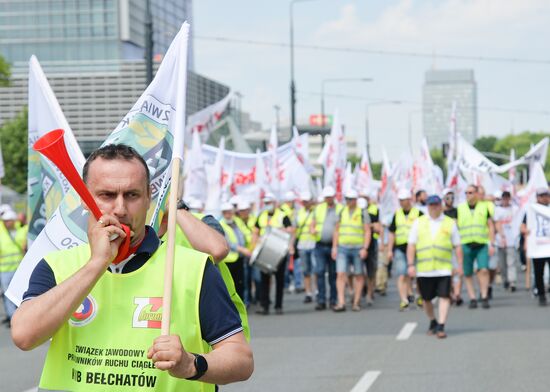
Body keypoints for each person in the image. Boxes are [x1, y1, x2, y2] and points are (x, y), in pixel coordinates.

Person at [11, 144, 253, 391]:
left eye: (132, 195)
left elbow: (241, 359)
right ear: (84, 198)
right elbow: (24, 336)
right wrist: (97, 263)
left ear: (149, 196)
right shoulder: (57, 265)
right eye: (106, 195)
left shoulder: (194, 268)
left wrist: (192, 364)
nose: (120, 209)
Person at [407, 195, 463, 339]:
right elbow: (411, 245)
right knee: (426, 299)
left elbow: (457, 246)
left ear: (440, 206)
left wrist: (460, 265)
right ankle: (433, 320)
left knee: (444, 296)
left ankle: (441, 325)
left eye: (436, 205)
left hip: (443, 267)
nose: (433, 208)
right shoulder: (419, 222)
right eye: (431, 205)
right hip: (425, 269)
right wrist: (411, 264)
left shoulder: (449, 223)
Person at [332, 190, 371, 312]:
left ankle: (356, 302)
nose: (349, 201)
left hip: (357, 248)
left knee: (358, 274)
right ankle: (341, 302)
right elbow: (337, 230)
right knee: (341, 273)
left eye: (351, 199)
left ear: (355, 200)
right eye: (347, 199)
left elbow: (367, 231)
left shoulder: (362, 213)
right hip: (343, 247)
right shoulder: (342, 212)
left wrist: (365, 248)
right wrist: (334, 247)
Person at [457, 184, 495, 309]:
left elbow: (490, 225)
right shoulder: (460, 208)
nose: (468, 195)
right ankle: (472, 297)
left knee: (483, 270)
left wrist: (491, 243)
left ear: (477, 194)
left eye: (471, 192)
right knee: (467, 273)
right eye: (466, 193)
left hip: (481, 243)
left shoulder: (484, 207)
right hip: (466, 244)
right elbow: (455, 227)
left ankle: (484, 295)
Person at [255, 193, 294, 315]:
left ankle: (278, 306)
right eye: (265, 203)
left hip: (279, 251)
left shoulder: (282, 215)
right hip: (265, 251)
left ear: (275, 203)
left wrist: (277, 230)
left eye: (269, 203)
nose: (267, 205)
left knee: (279, 279)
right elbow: (255, 231)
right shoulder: (261, 216)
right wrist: (255, 246)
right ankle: (264, 306)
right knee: (264, 280)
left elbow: (290, 230)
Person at [387, 189, 422, 311]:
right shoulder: (397, 214)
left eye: (404, 200)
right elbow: (392, 233)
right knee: (402, 274)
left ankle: (419, 295)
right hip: (401, 248)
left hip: (416, 248)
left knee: (418, 274)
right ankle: (404, 300)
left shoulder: (419, 213)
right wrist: (390, 250)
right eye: (400, 200)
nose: (402, 203)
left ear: (409, 200)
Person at [311, 186, 343, 310]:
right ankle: (321, 299)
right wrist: (312, 229)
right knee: (319, 272)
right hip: (320, 245)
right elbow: (312, 223)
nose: (328, 199)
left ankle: (333, 299)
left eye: (330, 197)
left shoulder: (340, 209)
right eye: (326, 197)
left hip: (334, 246)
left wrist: (336, 246)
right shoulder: (319, 209)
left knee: (333, 274)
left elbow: (338, 227)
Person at [521, 187, 550, 306]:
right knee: (539, 273)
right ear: (537, 197)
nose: (544, 198)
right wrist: (526, 233)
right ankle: (541, 295)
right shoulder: (531, 210)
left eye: (546, 195)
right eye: (542, 196)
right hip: (538, 247)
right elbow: (522, 227)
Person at [0, 208, 27, 326]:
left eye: (9, 220)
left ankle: (21, 316)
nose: (7, 223)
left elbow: (27, 226)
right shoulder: (1, 232)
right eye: (5, 220)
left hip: (19, 269)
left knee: (20, 293)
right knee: (7, 295)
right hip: (4, 270)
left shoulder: (20, 229)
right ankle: (13, 318)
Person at [219, 202, 251, 300]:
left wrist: (251, 246)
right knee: (229, 286)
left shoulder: (237, 221)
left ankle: (241, 306)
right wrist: (242, 249)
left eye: (229, 212)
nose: (228, 214)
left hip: (239, 258)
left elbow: (246, 233)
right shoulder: (221, 224)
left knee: (240, 284)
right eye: (226, 212)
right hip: (228, 260)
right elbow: (227, 242)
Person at [234, 200, 258, 306]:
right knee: (246, 278)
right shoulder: (236, 221)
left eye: (245, 210)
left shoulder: (254, 219)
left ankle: (258, 297)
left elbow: (256, 233)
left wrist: (252, 249)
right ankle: (248, 300)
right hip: (244, 253)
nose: (244, 213)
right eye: (242, 211)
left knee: (257, 277)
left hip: (254, 251)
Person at [494, 191, 519, 292]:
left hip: (511, 239)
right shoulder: (497, 210)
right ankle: (505, 280)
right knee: (503, 263)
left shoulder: (514, 209)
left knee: (511, 262)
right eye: (504, 198)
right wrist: (501, 236)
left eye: (507, 198)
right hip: (500, 240)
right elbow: (496, 223)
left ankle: (512, 281)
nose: (505, 200)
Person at [295, 192, 317, 304]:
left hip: (314, 243)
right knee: (306, 270)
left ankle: (317, 291)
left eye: (307, 201)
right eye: (304, 201)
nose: (305, 203)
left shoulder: (316, 211)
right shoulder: (299, 213)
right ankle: (308, 293)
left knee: (316, 269)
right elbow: (295, 228)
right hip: (302, 244)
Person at [365, 193, 381, 305]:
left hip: (371, 244)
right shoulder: (350, 211)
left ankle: (370, 293)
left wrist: (368, 226)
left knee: (371, 270)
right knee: (356, 273)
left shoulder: (374, 210)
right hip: (355, 245)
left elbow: (378, 228)